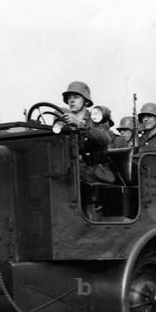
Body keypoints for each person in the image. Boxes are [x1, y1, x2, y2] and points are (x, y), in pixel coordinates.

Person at [61, 81, 113, 218]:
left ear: (86, 101)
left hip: (96, 169)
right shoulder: (64, 119)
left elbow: (104, 139)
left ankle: (88, 216)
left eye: (76, 97)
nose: (71, 100)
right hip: (73, 167)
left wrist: (81, 125)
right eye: (69, 97)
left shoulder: (96, 118)